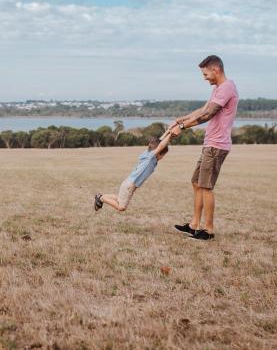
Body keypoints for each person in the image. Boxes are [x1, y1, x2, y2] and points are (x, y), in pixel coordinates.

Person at [170, 55, 238, 240]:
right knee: (196, 182)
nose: (204, 77)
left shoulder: (227, 88)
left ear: (216, 69)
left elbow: (208, 114)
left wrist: (183, 127)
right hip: (209, 144)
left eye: (205, 73)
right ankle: (194, 225)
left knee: (206, 187)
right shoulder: (218, 88)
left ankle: (208, 230)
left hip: (217, 146)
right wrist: (182, 119)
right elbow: (203, 109)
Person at [94, 132, 171, 212]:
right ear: (158, 153)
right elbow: (160, 145)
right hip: (130, 185)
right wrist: (170, 135)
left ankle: (100, 196)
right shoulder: (150, 158)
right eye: (163, 155)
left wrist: (168, 131)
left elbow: (159, 142)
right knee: (121, 207)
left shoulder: (148, 153)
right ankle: (101, 198)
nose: (163, 157)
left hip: (128, 183)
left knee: (119, 198)